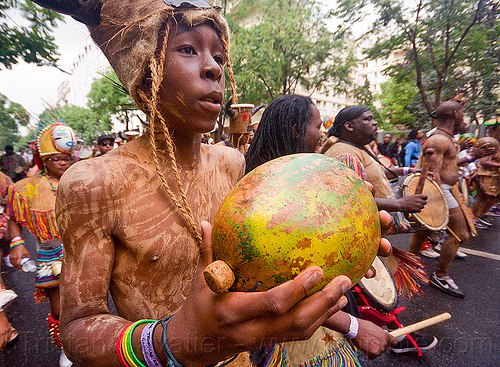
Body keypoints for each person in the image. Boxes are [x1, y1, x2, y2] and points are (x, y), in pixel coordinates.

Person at [32, 1, 370, 366]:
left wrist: (339, 245)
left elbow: (257, 270)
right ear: (147, 74)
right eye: (188, 49)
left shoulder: (231, 164)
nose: (212, 68)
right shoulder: (95, 182)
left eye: (219, 57)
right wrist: (170, 341)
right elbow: (78, 328)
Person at [245, 94, 396, 364]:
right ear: (296, 131)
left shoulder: (303, 177)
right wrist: (353, 326)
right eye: (317, 127)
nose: (322, 135)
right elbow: (278, 285)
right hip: (294, 334)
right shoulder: (264, 191)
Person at [322, 106, 438, 354]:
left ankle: (387, 336)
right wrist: (399, 204)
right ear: (349, 126)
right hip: (359, 240)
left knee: (371, 296)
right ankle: (390, 338)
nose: (375, 123)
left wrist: (409, 171)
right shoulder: (344, 154)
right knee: (372, 295)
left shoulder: (356, 150)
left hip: (372, 236)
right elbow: (350, 199)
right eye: (368, 119)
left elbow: (381, 176)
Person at [408, 101, 494, 298]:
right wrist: (435, 201)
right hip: (441, 191)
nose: (464, 115)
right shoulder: (439, 139)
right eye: (462, 111)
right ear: (455, 113)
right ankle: (441, 275)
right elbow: (431, 174)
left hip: (447, 189)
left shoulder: (446, 138)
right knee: (460, 233)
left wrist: (473, 155)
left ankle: (407, 265)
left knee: (425, 229)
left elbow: (449, 164)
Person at [6, 122, 76, 366]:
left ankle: (90, 341)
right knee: (59, 308)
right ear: (43, 159)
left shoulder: (85, 178)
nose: (63, 161)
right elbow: (14, 218)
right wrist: (17, 243)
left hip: (86, 252)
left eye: (67, 157)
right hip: (52, 254)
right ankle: (66, 346)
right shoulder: (29, 187)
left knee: (90, 301)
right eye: (56, 157)